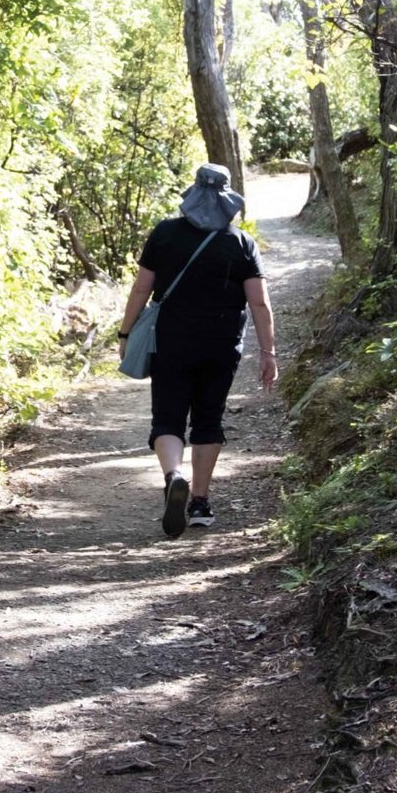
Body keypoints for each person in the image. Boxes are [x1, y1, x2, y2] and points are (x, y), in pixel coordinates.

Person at [118, 164, 277, 536]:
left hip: (171, 342)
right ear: (227, 201)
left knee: (168, 419)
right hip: (220, 346)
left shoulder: (165, 234)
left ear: (192, 194)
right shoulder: (241, 243)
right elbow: (259, 304)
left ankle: (174, 475)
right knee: (208, 419)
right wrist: (269, 352)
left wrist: (126, 332)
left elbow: (141, 290)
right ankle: (201, 503)